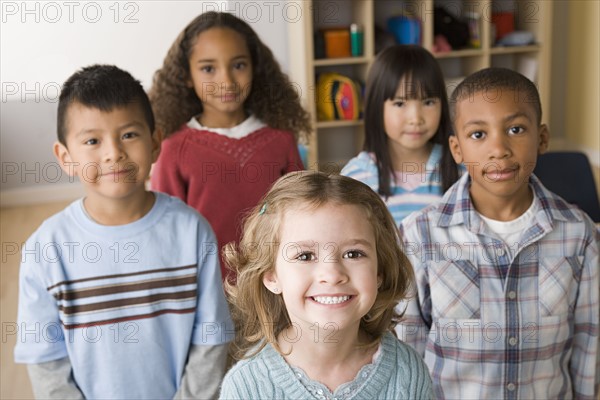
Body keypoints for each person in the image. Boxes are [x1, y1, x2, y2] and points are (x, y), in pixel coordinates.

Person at [14, 65, 234, 400]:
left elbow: (212, 337)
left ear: (155, 142)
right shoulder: (46, 250)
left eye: (129, 134)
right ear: (66, 157)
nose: (113, 152)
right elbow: (46, 364)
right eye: (92, 140)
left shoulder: (192, 232)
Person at [397, 67, 599, 399]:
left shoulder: (580, 234)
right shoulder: (420, 236)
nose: (499, 149)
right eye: (478, 134)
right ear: (456, 148)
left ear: (542, 138)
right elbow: (408, 349)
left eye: (516, 129)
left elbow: (588, 343)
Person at [219, 171, 433, 399]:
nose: (332, 275)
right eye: (305, 256)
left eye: (353, 253)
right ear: (272, 276)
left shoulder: (408, 374)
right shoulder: (246, 387)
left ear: (379, 271)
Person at [149, 12, 311, 280]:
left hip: (275, 282)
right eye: (208, 68)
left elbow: (301, 213)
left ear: (254, 68)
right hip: (205, 286)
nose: (226, 81)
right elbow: (164, 231)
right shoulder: (175, 147)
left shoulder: (281, 139)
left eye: (238, 65)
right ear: (186, 75)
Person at [341, 45, 460, 226]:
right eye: (400, 103)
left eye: (428, 102)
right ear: (376, 107)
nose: (415, 118)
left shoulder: (460, 168)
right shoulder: (358, 176)